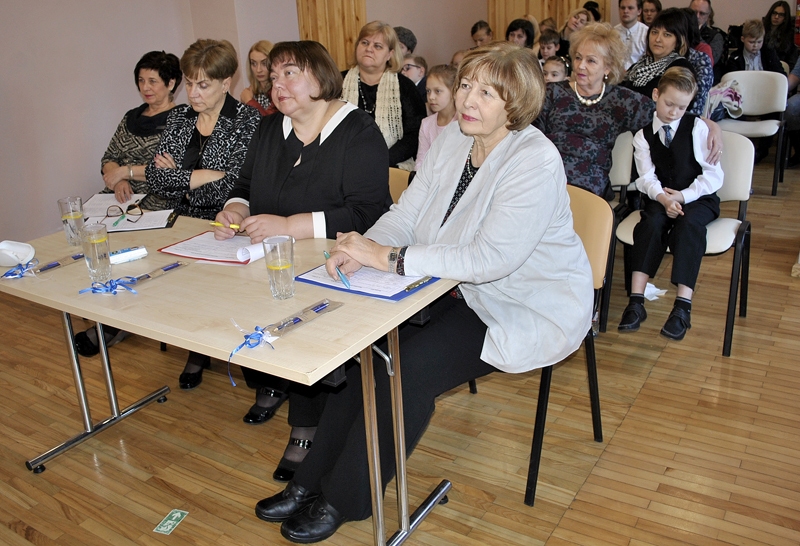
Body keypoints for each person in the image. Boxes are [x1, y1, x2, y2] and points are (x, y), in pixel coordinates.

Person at [253, 42, 594, 544]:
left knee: (407, 370)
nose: (466, 101)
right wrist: (366, 246)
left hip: (514, 302)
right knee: (364, 352)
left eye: (485, 93)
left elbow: (489, 260)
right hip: (445, 286)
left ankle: (346, 498)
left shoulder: (534, 160)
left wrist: (389, 259)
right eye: (465, 86)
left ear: (515, 104)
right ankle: (309, 483)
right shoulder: (456, 138)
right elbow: (408, 213)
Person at [213, 40, 391, 482]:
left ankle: (305, 425)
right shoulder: (270, 128)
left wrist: (290, 225)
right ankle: (275, 380)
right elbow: (246, 183)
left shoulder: (359, 131)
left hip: (339, 266)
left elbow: (369, 214)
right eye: (273, 78)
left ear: (321, 77)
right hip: (273, 258)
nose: (278, 85)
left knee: (299, 307)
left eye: (290, 73)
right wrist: (236, 208)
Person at [145, 39, 260, 389]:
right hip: (180, 222)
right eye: (189, 83)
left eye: (203, 84)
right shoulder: (179, 117)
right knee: (187, 296)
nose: (193, 93)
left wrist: (179, 177)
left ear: (226, 82)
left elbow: (234, 187)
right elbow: (155, 179)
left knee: (233, 297)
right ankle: (197, 349)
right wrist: (200, 176)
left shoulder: (247, 120)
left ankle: (256, 370)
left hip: (229, 224)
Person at [73, 50, 182, 357]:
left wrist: (127, 173)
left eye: (153, 81)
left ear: (171, 83)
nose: (145, 87)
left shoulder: (181, 119)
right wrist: (118, 179)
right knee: (90, 238)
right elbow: (109, 158)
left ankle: (110, 325)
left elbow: (171, 171)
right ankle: (107, 311)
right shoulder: (130, 118)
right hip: (119, 199)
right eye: (140, 81)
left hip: (156, 201)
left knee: (128, 247)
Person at [534, 22, 722, 199]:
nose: (581, 65)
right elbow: (533, 134)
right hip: (548, 174)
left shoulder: (621, 99)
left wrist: (710, 124)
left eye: (591, 61)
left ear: (607, 67)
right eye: (578, 57)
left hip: (588, 181)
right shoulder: (553, 92)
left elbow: (666, 113)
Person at [619, 67, 722, 341]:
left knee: (689, 225)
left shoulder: (697, 128)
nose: (674, 112)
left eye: (682, 107)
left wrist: (682, 196)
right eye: (669, 104)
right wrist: (665, 198)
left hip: (697, 197)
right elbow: (646, 178)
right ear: (656, 95)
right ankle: (636, 300)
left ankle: (682, 307)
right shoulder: (643, 137)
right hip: (660, 196)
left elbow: (714, 176)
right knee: (650, 223)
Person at [341, 21, 427, 169]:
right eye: (365, 43)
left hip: (391, 165)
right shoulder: (338, 82)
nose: (369, 49)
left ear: (390, 54)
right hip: (344, 163)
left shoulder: (405, 87)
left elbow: (414, 135)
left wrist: (381, 161)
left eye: (377, 46)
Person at [622, 9, 707, 115]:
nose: (657, 39)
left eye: (667, 35)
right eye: (654, 32)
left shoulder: (681, 68)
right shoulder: (641, 64)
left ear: (678, 40)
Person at [415, 64, 457, 170]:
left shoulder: (462, 123)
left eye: (438, 91)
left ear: (454, 91)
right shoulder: (426, 124)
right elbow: (421, 160)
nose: (431, 97)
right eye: (428, 91)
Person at [240, 40, 276, 116]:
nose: (258, 70)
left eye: (264, 63)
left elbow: (269, 122)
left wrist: (249, 101)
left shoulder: (279, 91)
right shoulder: (250, 92)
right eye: (254, 63)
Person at [688, 0, 724, 66]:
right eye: (694, 12)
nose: (697, 16)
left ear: (708, 16)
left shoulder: (716, 36)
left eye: (702, 13)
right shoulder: (680, 30)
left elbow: (711, 60)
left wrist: (696, 33)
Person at [615, 0, 649, 69]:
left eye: (630, 8)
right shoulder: (612, 33)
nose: (625, 11)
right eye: (622, 8)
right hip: (616, 76)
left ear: (639, 11)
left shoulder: (646, 33)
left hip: (638, 76)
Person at [763, 1, 797, 66]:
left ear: (785, 18)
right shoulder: (761, 30)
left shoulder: (790, 35)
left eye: (781, 15)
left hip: (781, 67)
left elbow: (792, 60)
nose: (776, 17)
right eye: (774, 13)